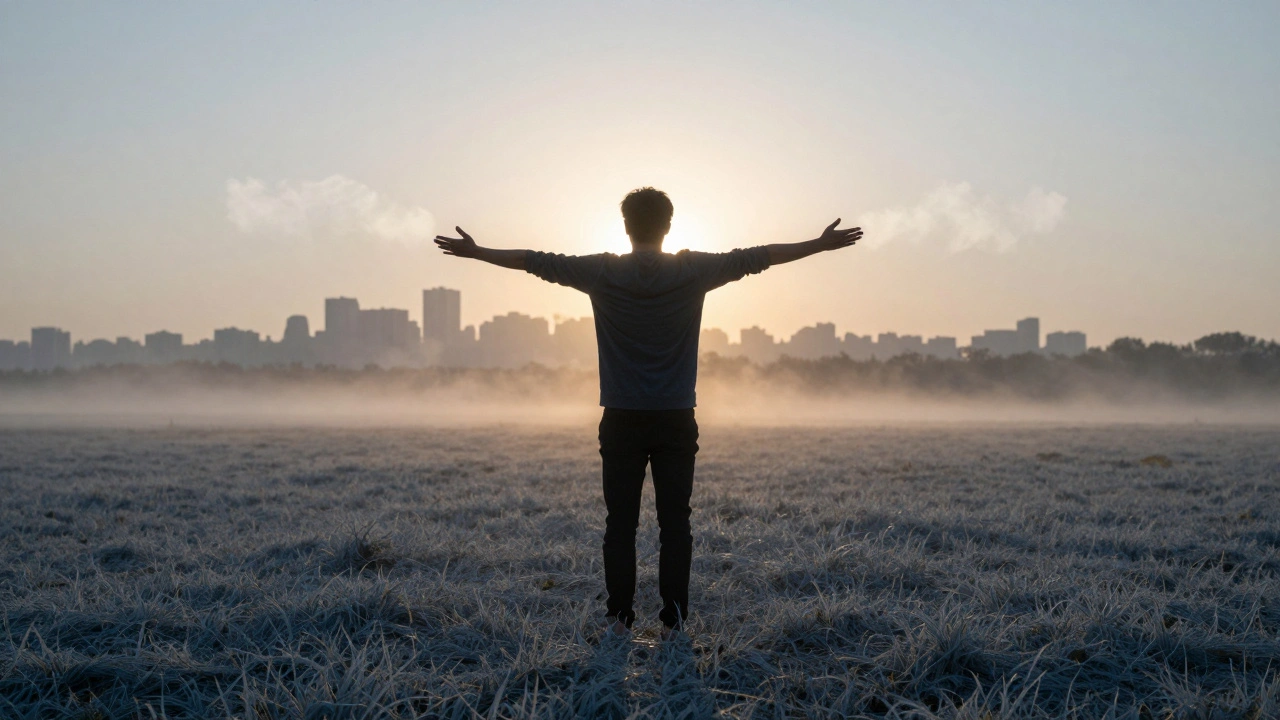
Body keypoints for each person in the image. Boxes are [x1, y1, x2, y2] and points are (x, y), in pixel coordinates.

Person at [434, 187, 861, 640]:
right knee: (676, 524)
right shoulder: (693, 269)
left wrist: (478, 254)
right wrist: (818, 244)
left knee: (620, 524)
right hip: (676, 416)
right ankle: (674, 624)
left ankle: (619, 621)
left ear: (625, 226)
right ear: (668, 226)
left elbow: (534, 260)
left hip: (621, 417)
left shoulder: (601, 271)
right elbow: (759, 256)